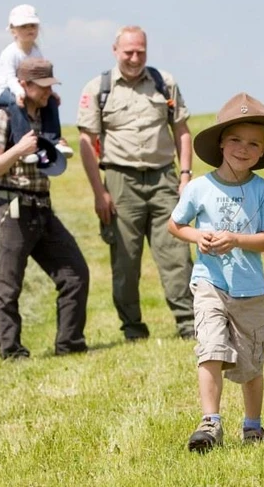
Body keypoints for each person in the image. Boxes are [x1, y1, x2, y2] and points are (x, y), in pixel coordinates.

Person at [168, 92, 264, 452]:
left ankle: (253, 426)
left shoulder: (263, 191)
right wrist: (199, 236)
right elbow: (176, 225)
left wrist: (237, 239)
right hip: (209, 282)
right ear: (221, 142)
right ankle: (210, 422)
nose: (244, 148)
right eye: (236, 139)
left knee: (251, 362)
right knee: (209, 348)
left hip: (249, 289)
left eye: (254, 144)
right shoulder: (199, 188)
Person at [76, 25, 195, 341]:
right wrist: (99, 191)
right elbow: (86, 142)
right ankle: (132, 328)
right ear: (115, 51)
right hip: (120, 179)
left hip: (163, 178)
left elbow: (182, 130)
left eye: (140, 51)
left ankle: (189, 324)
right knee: (125, 261)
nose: (134, 57)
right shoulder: (98, 88)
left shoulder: (163, 83)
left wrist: (185, 176)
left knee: (177, 255)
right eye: (128, 51)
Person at [0, 57, 89, 360]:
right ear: (24, 85)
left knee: (75, 274)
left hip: (42, 207)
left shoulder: (46, 116)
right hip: (12, 208)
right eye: (42, 87)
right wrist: (18, 150)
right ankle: (11, 351)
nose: (48, 93)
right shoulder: (2, 117)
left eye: (50, 86)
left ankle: (70, 345)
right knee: (9, 286)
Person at [0, 4, 73, 163]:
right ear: (13, 30)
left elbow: (41, 75)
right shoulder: (10, 53)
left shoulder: (35, 50)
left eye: (32, 25)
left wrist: (50, 92)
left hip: (22, 87)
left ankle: (53, 141)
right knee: (15, 103)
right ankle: (25, 146)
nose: (29, 29)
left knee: (50, 102)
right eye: (23, 26)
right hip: (3, 90)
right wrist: (20, 93)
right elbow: (9, 78)